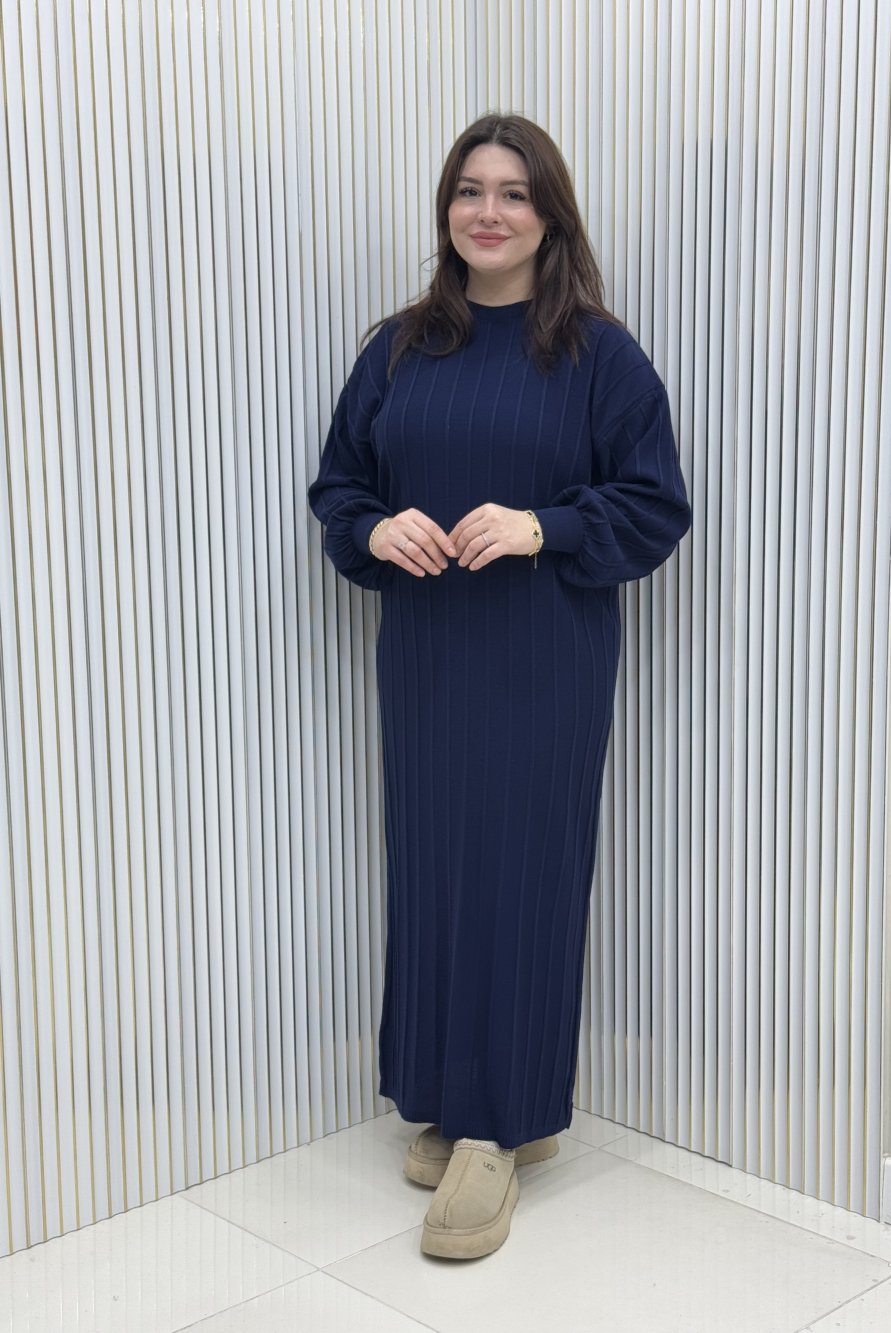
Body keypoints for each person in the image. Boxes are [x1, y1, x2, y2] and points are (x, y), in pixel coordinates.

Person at [308, 112, 691, 1260]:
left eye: (513, 193)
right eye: (469, 190)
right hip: (427, 657)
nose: (488, 211)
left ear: (549, 215)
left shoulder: (599, 358)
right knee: (435, 868)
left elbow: (656, 505)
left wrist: (542, 525)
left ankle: (501, 1128)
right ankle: (442, 1093)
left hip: (543, 659)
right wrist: (375, 532)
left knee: (523, 877)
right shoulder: (397, 349)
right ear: (446, 210)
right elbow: (338, 489)